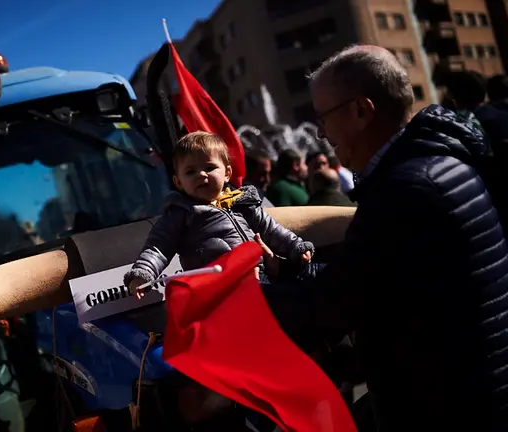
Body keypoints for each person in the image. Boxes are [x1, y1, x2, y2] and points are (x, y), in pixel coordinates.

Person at [260, 44, 508, 430]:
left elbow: (332, 304)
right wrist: (293, 265)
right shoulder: (440, 160)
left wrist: (240, 290)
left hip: (450, 407)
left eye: (323, 117)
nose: (321, 134)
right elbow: (371, 272)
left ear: (361, 111)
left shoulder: (404, 190)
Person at [123, 131, 315, 294]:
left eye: (209, 167)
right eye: (190, 172)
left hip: (257, 278)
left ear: (227, 174)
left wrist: (295, 246)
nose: (201, 174)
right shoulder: (181, 213)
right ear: (178, 182)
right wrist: (143, 274)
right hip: (216, 290)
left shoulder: (241, 203)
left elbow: (270, 229)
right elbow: (158, 247)